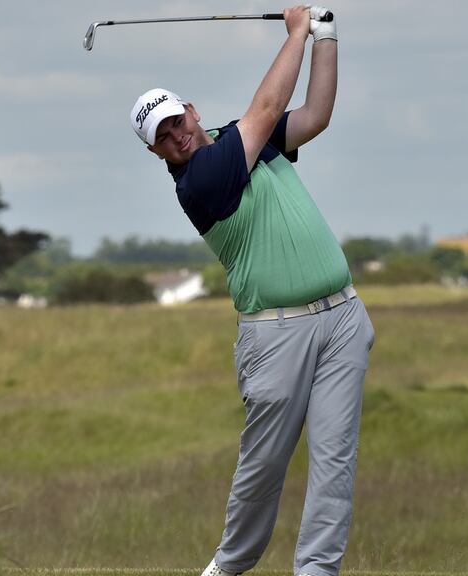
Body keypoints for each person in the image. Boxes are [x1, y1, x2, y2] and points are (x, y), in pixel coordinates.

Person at [127, 6, 374, 576]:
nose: (176, 135)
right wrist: (295, 33)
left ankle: (316, 570)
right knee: (264, 466)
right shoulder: (201, 180)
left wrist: (325, 35)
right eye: (162, 136)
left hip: (341, 318)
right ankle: (229, 567)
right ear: (156, 152)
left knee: (335, 459)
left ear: (190, 109)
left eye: (175, 119)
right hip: (275, 333)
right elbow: (265, 109)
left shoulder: (242, 143)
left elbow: (314, 115)